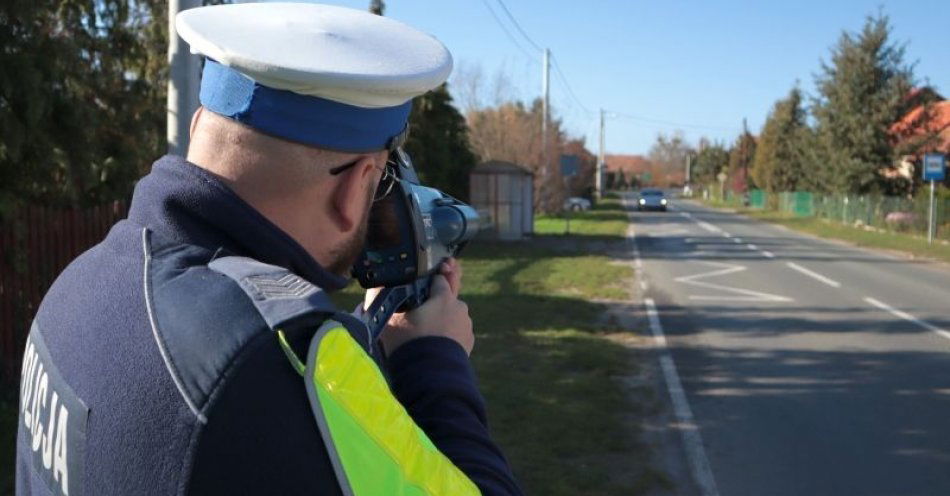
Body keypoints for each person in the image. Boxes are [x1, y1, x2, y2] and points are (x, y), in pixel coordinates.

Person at [15, 3, 521, 495]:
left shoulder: (77, 284)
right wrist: (433, 357)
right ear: (355, 190)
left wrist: (367, 343)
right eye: (379, 185)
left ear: (198, 129)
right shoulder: (273, 360)